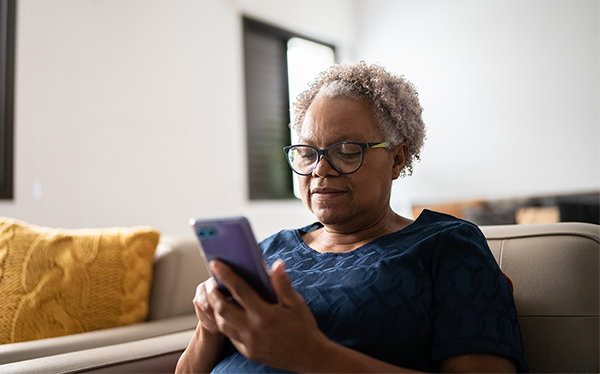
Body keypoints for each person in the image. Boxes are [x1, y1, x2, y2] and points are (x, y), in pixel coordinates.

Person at [175, 62, 528, 374]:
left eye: (346, 151)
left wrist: (311, 355)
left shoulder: (447, 246)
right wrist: (209, 327)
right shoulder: (267, 252)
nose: (320, 169)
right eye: (307, 153)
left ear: (396, 159)